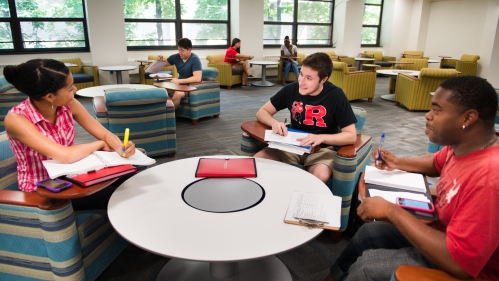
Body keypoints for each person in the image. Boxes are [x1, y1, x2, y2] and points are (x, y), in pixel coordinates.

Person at [326, 76, 499, 281]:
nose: (428, 116)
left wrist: (391, 211)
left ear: (468, 118)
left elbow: (459, 264)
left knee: (368, 266)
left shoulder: (489, 179)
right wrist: (398, 162)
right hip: (440, 233)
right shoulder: (464, 146)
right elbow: (435, 162)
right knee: (369, 233)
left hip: (457, 266)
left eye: (436, 110)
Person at [3, 59, 136, 209]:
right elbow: (66, 156)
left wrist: (120, 147)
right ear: (49, 97)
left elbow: (105, 134)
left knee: (135, 177)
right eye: (69, 88)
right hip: (45, 189)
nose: (75, 90)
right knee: (120, 196)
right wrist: (99, 144)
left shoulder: (68, 104)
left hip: (71, 175)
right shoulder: (16, 119)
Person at [254, 52, 357, 183]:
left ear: (323, 79)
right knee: (256, 162)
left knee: (320, 176)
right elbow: (262, 112)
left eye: (309, 78)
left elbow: (351, 135)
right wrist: (274, 122)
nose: (301, 82)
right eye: (301, 74)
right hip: (291, 145)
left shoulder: (336, 96)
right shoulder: (291, 89)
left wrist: (321, 137)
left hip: (322, 150)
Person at [157, 38, 202, 108]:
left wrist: (178, 81)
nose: (180, 53)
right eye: (179, 50)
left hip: (189, 86)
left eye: (182, 50)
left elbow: (197, 78)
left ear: (190, 50)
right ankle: (159, 113)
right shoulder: (176, 57)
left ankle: (170, 116)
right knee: (160, 90)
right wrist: (160, 60)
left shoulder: (195, 59)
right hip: (179, 84)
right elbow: (165, 63)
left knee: (177, 94)